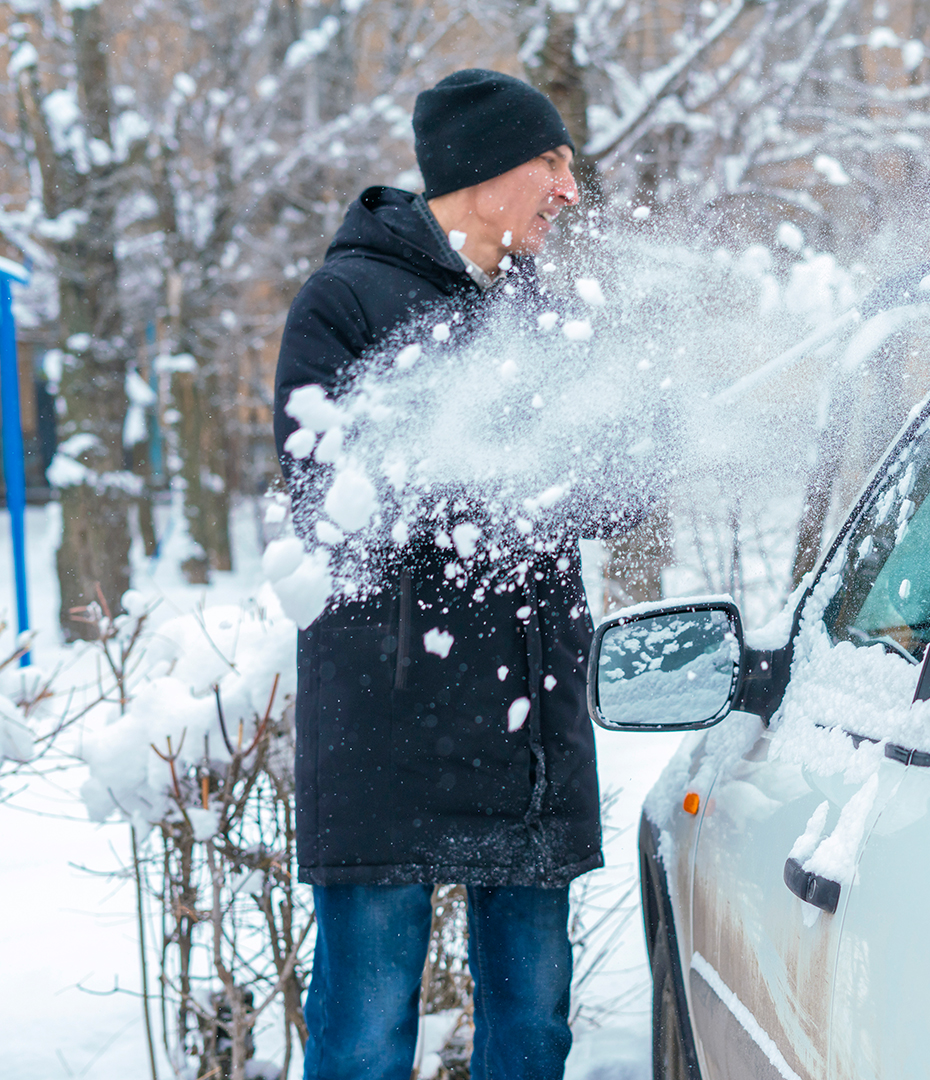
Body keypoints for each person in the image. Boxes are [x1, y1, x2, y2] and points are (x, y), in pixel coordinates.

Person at [273, 69, 611, 1080]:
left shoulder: (549, 316)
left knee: (534, 1029)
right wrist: (502, 472)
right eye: (551, 162)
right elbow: (321, 498)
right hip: (391, 727)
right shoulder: (342, 303)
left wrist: (633, 443)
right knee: (368, 1035)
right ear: (485, 170)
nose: (571, 188)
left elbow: (604, 500)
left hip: (528, 732)